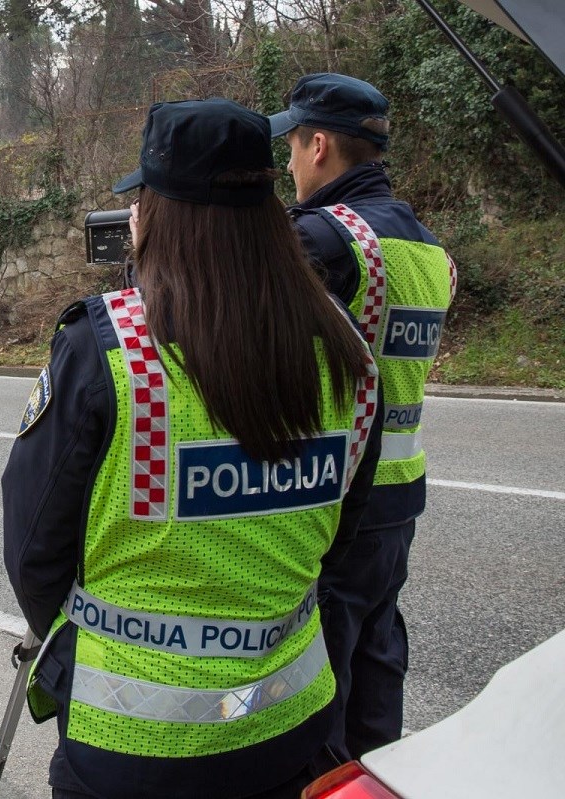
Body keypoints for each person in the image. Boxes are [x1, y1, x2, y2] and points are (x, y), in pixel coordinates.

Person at [2, 98, 384, 799]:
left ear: (154, 215)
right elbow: (342, 538)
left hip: (129, 747)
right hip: (293, 730)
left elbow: (34, 554)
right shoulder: (348, 352)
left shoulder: (108, 351)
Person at [269, 73, 456, 760]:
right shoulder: (428, 246)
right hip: (400, 495)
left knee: (320, 685)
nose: (288, 163)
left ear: (320, 145)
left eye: (291, 145)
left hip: (334, 504)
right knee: (379, 662)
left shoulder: (323, 237)